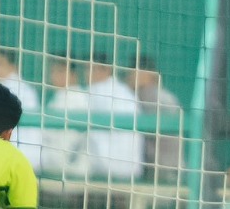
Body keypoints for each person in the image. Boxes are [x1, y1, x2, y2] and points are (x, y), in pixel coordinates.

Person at [83, 52, 144, 180]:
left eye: (92, 69)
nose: (87, 74)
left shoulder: (97, 90)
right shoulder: (125, 91)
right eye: (87, 69)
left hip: (108, 169)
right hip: (132, 170)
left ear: (107, 70)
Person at [130, 55, 183, 182]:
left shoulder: (149, 95)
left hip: (161, 170)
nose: (129, 77)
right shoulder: (167, 95)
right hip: (173, 167)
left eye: (132, 72)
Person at [0, 48, 43, 169]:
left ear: (13, 65)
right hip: (31, 155)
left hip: (16, 156)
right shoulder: (26, 88)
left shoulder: (8, 89)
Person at [41, 57, 89, 176]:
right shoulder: (60, 96)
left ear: (74, 74)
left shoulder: (77, 97)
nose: (55, 76)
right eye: (53, 72)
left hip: (71, 168)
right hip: (56, 165)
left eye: (61, 71)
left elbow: (73, 140)